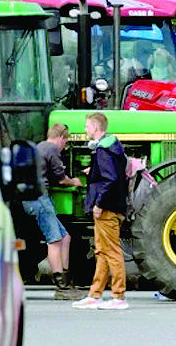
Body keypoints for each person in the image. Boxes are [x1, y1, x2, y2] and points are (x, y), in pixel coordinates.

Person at [73, 112, 129, 310]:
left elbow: (110, 179)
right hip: (115, 205)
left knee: (111, 252)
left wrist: (98, 203)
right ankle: (94, 295)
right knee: (102, 251)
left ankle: (118, 296)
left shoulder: (103, 150)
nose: (85, 130)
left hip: (107, 208)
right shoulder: (113, 147)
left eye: (87, 126)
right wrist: (93, 171)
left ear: (95, 128)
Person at [23, 123, 83, 299]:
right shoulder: (52, 149)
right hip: (39, 199)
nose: (65, 146)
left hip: (34, 199)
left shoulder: (39, 146)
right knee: (54, 240)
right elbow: (61, 179)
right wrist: (75, 181)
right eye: (66, 142)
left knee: (65, 237)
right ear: (61, 138)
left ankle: (67, 279)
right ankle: (62, 288)